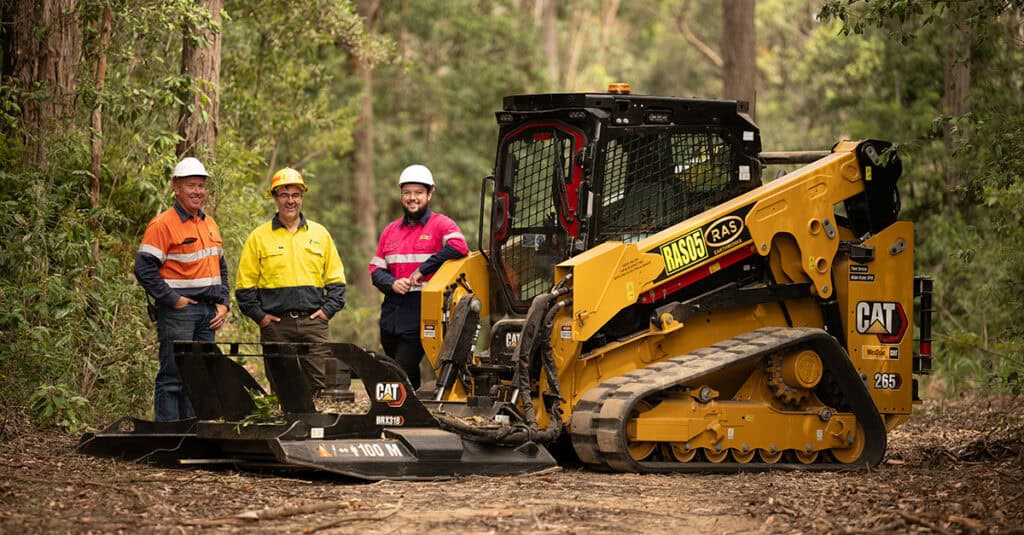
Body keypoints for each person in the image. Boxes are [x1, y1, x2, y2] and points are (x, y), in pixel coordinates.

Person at [235, 167, 351, 403]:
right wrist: (261, 317)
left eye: (296, 195)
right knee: (282, 389)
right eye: (284, 195)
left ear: (302, 197)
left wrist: (327, 312)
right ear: (275, 198)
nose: (291, 201)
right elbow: (244, 287)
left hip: (314, 324)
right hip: (276, 326)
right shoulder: (258, 237)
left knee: (321, 388)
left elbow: (337, 280)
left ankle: (318, 436)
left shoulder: (320, 234)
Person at [134, 156, 230, 421]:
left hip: (208, 314)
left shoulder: (208, 224)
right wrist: (173, 299)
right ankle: (167, 439)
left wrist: (224, 303)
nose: (197, 191)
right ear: (176, 187)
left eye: (201, 185)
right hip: (180, 313)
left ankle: (191, 434)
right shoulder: (162, 224)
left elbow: (220, 266)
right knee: (173, 377)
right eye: (191, 185)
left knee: (199, 378)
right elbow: (144, 268)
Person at [369, 164, 468, 390]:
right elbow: (375, 270)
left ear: (429, 193)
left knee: (399, 370)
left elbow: (460, 246)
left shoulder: (441, 224)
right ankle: (409, 412)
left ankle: (399, 410)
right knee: (402, 370)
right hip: (391, 312)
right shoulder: (390, 231)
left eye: (418, 193)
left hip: (422, 311)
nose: (412, 198)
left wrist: (424, 269)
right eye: (407, 193)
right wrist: (392, 283)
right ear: (401, 194)